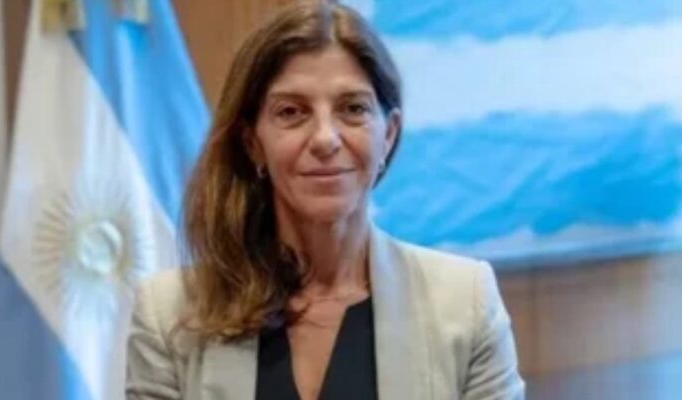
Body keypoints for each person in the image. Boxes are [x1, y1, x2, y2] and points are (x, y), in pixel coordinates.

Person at [125, 2, 525, 399]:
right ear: (252, 142)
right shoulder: (168, 316)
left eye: (353, 109)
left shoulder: (465, 304)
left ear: (388, 134)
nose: (325, 139)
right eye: (291, 112)